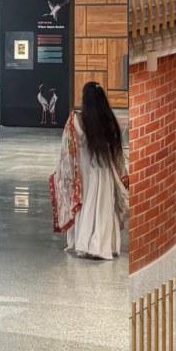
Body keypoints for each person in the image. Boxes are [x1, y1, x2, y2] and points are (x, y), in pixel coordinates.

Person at [49, 82, 125, 261]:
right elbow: (117, 154)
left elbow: (67, 151)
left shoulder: (75, 120)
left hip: (82, 173)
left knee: (85, 205)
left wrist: (64, 173)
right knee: (104, 207)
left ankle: (83, 244)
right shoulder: (110, 122)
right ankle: (105, 246)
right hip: (104, 173)